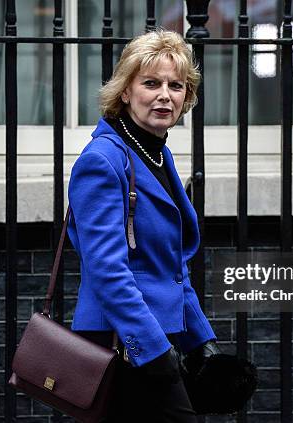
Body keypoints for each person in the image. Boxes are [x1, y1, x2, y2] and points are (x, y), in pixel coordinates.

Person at [67, 29, 219, 422]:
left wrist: (200, 338)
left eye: (176, 85)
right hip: (122, 341)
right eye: (151, 83)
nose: (165, 95)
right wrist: (152, 348)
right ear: (125, 91)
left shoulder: (156, 153)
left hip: (157, 338)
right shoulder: (103, 160)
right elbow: (107, 270)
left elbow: (168, 265)